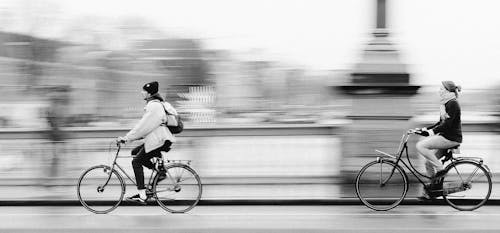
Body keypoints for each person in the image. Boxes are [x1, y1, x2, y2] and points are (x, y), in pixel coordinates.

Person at [117, 81, 177, 203]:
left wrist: (127, 138)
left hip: (158, 140)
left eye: (143, 90)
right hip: (158, 139)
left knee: (136, 162)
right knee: (135, 152)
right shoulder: (155, 104)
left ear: (149, 93)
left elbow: (143, 126)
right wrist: (134, 137)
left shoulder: (153, 106)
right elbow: (147, 127)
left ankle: (142, 194)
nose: (141, 92)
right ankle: (159, 171)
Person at [415, 80, 462, 199]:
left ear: (447, 91)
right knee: (428, 163)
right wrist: (423, 130)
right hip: (446, 137)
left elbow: (447, 125)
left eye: (441, 89)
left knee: (420, 146)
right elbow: (440, 123)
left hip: (450, 138)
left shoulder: (453, 104)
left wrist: (431, 132)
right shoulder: (446, 104)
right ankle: (433, 190)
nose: (439, 91)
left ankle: (440, 168)